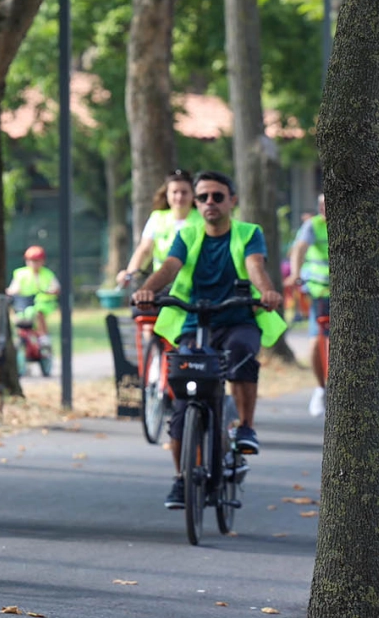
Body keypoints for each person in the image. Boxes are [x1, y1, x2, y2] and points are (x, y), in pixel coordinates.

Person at [133, 170, 285, 509]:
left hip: (237, 319)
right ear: (196, 203)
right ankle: (182, 480)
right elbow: (170, 267)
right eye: (203, 197)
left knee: (243, 353)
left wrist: (267, 291)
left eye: (218, 196)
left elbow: (255, 265)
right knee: (183, 400)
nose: (209, 203)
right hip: (195, 323)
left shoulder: (249, 233)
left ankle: (245, 427)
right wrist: (148, 289)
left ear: (233, 201)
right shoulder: (186, 235)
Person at [117, 170, 199, 286]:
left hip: (195, 284)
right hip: (163, 284)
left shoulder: (203, 219)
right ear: (167, 194)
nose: (179, 196)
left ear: (193, 194)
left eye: (184, 192)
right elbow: (145, 250)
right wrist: (130, 273)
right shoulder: (157, 218)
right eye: (174, 192)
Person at [288, 194, 329, 417]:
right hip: (319, 292)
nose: (326, 208)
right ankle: (320, 388)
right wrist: (295, 272)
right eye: (322, 205)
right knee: (316, 342)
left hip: (344, 295)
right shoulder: (312, 226)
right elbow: (300, 249)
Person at [7, 245, 60, 341]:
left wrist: (51, 291)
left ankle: (44, 338)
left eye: (36, 261)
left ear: (42, 261)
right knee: (20, 316)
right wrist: (11, 291)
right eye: (30, 260)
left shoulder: (47, 274)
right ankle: (21, 338)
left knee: (39, 312)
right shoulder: (21, 273)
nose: (33, 263)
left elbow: (55, 287)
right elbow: (14, 288)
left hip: (43, 304)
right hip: (24, 303)